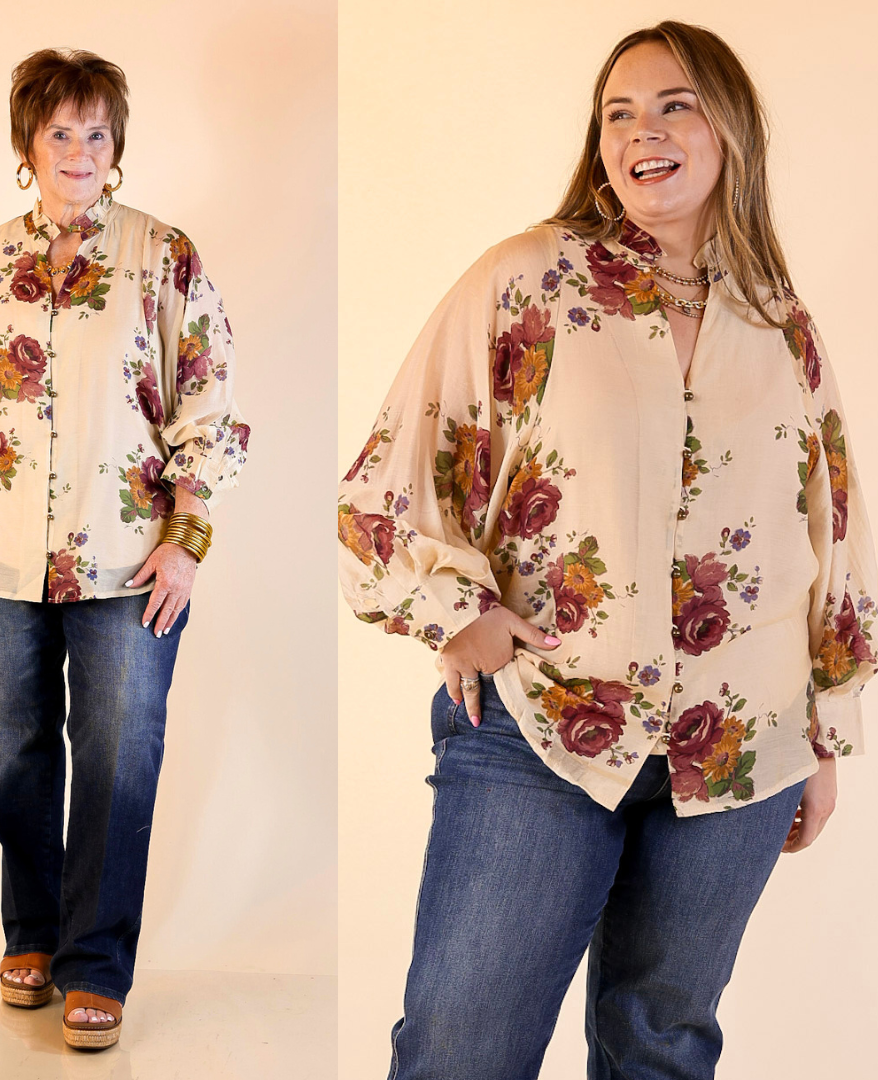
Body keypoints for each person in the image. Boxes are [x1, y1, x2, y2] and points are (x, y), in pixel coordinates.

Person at [338, 20, 875, 1079]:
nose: (644, 132)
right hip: (538, 727)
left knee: (662, 1049)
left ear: (730, 129)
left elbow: (834, 534)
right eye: (619, 113)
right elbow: (382, 485)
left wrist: (826, 728)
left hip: (741, 746)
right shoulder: (528, 280)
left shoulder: (782, 325)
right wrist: (458, 610)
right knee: (461, 1044)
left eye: (675, 104)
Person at [0, 48, 249, 1050]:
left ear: (117, 146)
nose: (77, 149)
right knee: (14, 752)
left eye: (95, 132)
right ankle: (31, 934)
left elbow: (210, 404)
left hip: (131, 564)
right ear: (27, 145)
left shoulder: (167, 258)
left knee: (120, 756)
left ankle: (96, 966)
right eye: (59, 131)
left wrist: (188, 541)